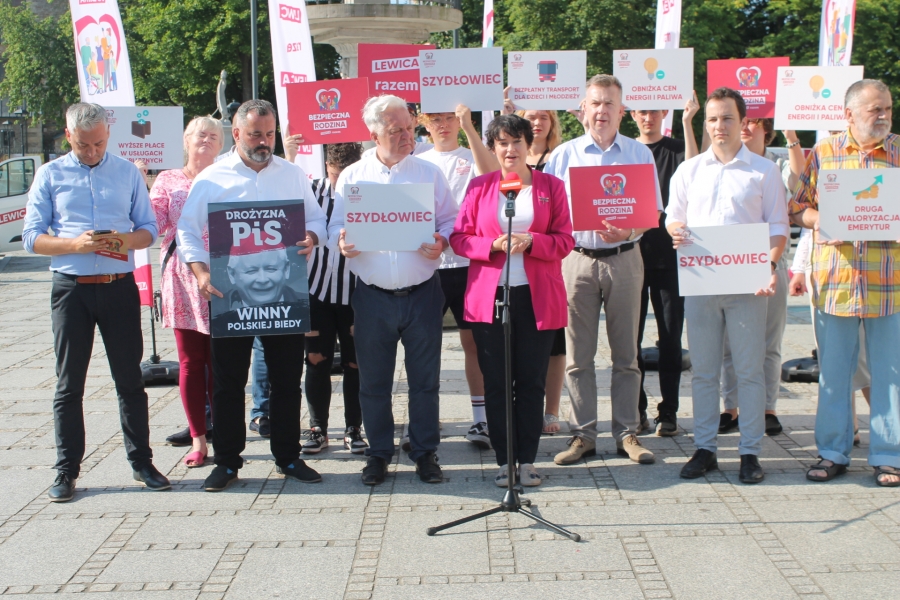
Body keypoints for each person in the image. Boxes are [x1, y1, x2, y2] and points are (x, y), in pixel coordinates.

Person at [176, 99, 328, 492]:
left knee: (286, 380)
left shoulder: (292, 174)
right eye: (256, 134)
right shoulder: (213, 177)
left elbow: (317, 219)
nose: (264, 142)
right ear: (237, 133)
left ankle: (288, 456)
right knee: (228, 383)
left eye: (270, 134)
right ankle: (227, 462)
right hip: (230, 296)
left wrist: (311, 237)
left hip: (284, 297)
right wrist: (200, 271)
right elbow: (186, 229)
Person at [22, 102, 169, 502]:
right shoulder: (50, 174)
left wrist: (123, 240)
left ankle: (142, 462)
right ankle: (66, 469)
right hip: (71, 288)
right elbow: (31, 237)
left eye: (100, 143)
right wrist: (73, 244)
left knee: (130, 380)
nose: (92, 152)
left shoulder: (126, 172)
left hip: (119, 286)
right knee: (69, 383)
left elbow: (149, 229)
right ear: (68, 135)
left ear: (108, 135)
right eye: (84, 145)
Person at [329, 94, 458, 486]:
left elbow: (451, 220)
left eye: (409, 127)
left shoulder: (428, 172)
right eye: (396, 130)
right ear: (373, 135)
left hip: (423, 293)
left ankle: (425, 452)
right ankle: (378, 454)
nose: (407, 136)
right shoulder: (353, 176)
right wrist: (342, 242)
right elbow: (335, 225)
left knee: (425, 382)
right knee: (373, 383)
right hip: (372, 296)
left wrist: (442, 239)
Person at [666, 87, 789, 484]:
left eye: (727, 118)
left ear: (743, 122)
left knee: (749, 370)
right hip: (701, 280)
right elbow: (672, 216)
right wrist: (675, 229)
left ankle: (750, 452)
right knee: (704, 370)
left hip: (748, 283)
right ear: (706, 124)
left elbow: (778, 225)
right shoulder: (689, 170)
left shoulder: (764, 171)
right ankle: (705, 448)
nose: (720, 126)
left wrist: (770, 265)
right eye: (713, 119)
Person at [545, 75, 663, 466]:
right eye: (595, 103)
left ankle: (627, 432)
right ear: (583, 109)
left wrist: (628, 230)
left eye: (609, 103)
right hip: (576, 259)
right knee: (578, 356)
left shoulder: (638, 154)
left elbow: (652, 212)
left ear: (621, 110)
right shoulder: (563, 155)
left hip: (625, 257)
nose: (602, 111)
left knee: (626, 354)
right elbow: (549, 210)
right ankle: (583, 435)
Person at [450, 114, 574, 486]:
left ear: (528, 144)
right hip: (491, 297)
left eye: (517, 141)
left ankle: (528, 460)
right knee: (497, 382)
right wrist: (491, 244)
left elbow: (565, 240)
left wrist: (533, 241)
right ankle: (505, 461)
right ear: (492, 148)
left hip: (537, 297)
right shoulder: (479, 187)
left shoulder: (551, 186)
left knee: (531, 381)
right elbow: (460, 238)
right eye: (502, 143)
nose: (510, 149)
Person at [788, 79, 900, 487]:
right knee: (834, 375)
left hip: (890, 283)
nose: (883, 115)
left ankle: (889, 456)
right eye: (875, 109)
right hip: (836, 282)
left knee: (891, 376)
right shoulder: (825, 152)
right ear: (848, 114)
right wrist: (822, 220)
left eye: (887, 108)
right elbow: (797, 209)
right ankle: (833, 452)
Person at [717, 118, 802, 438]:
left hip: (770, 261)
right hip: (731, 260)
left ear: (768, 130)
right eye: (741, 120)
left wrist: (792, 134)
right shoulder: (723, 160)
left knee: (769, 340)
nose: (746, 127)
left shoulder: (777, 163)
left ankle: (767, 409)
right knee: (728, 340)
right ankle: (731, 407)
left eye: (754, 122)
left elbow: (798, 181)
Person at [149, 116, 224, 467]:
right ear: (186, 140)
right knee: (191, 362)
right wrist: (138, 192)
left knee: (223, 363)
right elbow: (154, 224)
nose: (206, 140)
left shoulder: (228, 176)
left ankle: (225, 431)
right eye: (200, 134)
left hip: (225, 276)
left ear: (222, 145)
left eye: (214, 136)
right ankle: (198, 438)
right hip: (182, 278)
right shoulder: (168, 179)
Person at [416, 110, 489, 449]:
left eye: (449, 117)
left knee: (473, 342)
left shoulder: (471, 155)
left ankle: (481, 419)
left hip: (467, 262)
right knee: (423, 346)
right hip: (427, 264)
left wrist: (470, 127)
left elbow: (492, 176)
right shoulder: (417, 159)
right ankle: (424, 420)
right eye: (435, 119)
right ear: (423, 123)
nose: (443, 125)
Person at [630, 93, 699, 437]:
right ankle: (638, 409)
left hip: (670, 257)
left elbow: (696, 170)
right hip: (631, 256)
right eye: (642, 112)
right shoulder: (627, 152)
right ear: (633, 114)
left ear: (663, 113)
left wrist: (687, 122)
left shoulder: (676, 150)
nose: (648, 117)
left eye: (654, 111)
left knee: (670, 339)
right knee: (630, 340)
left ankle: (668, 411)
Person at [297, 143, 368, 455]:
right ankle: (318, 429)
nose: (340, 182)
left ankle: (354, 428)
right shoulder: (311, 191)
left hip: (356, 291)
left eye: (346, 175)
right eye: (335, 175)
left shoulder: (367, 192)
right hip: (315, 290)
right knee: (316, 360)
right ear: (326, 168)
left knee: (355, 363)